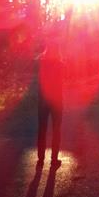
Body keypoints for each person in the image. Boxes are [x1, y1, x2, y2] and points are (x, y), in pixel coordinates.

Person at [36, 38, 65, 169]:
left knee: (42, 129)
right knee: (56, 130)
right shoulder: (60, 65)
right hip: (57, 100)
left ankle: (40, 159)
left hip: (43, 100)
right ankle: (54, 160)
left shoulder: (41, 62)